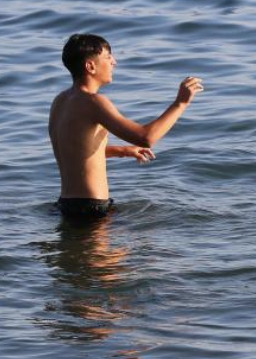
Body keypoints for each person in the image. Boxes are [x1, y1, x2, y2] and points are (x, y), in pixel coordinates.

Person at [48, 34, 203, 220]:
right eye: (108, 57)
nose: (114, 62)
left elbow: (75, 151)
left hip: (67, 204)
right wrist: (180, 103)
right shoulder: (93, 102)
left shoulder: (61, 101)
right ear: (90, 66)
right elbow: (146, 138)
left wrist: (123, 150)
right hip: (91, 208)